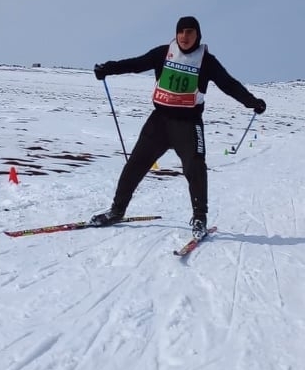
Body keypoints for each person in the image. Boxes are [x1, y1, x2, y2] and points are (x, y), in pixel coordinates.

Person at [90, 15, 266, 239]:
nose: (184, 36)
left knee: (195, 168)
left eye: (190, 32)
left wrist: (252, 102)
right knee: (135, 164)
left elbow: (228, 84)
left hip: (188, 124)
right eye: (181, 31)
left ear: (197, 35)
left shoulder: (207, 61)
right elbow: (135, 64)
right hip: (159, 121)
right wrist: (107, 68)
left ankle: (200, 218)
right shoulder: (163, 53)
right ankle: (116, 211)